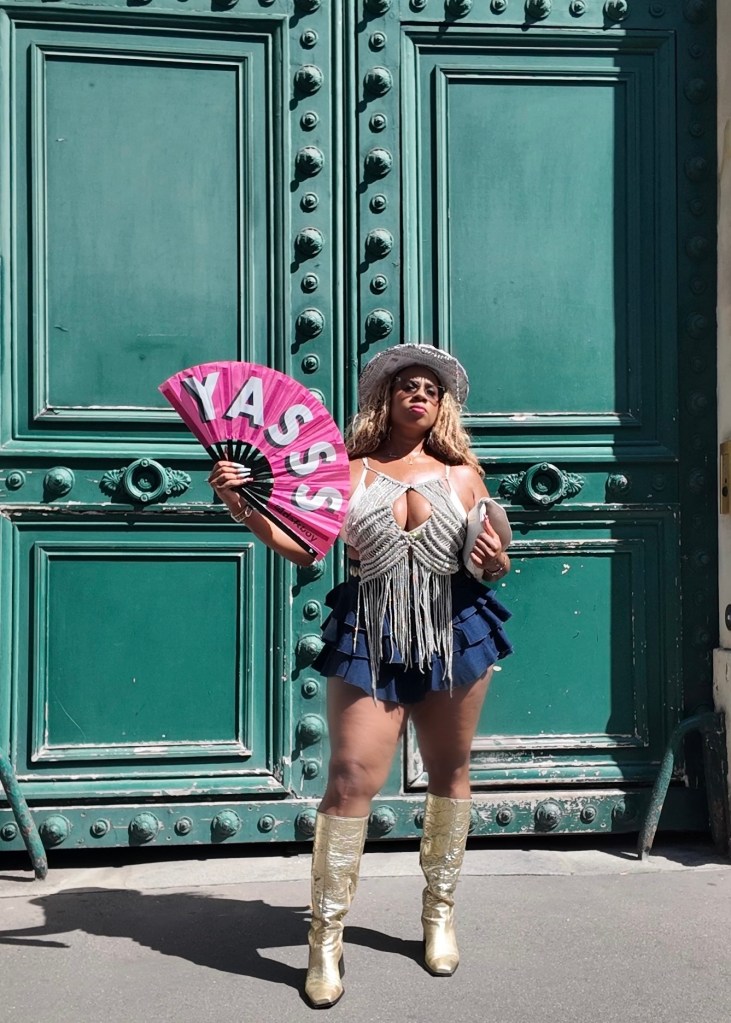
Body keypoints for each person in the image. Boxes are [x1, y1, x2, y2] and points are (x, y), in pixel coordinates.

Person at [208, 343, 512, 1009]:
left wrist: (495, 560)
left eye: (430, 388)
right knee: (349, 778)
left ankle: (438, 914)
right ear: (387, 398)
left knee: (450, 772)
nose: (419, 394)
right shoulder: (348, 472)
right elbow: (304, 548)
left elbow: (493, 561)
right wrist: (242, 505)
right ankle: (324, 938)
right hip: (369, 630)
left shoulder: (464, 474)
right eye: (408, 385)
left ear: (442, 404)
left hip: (454, 628)